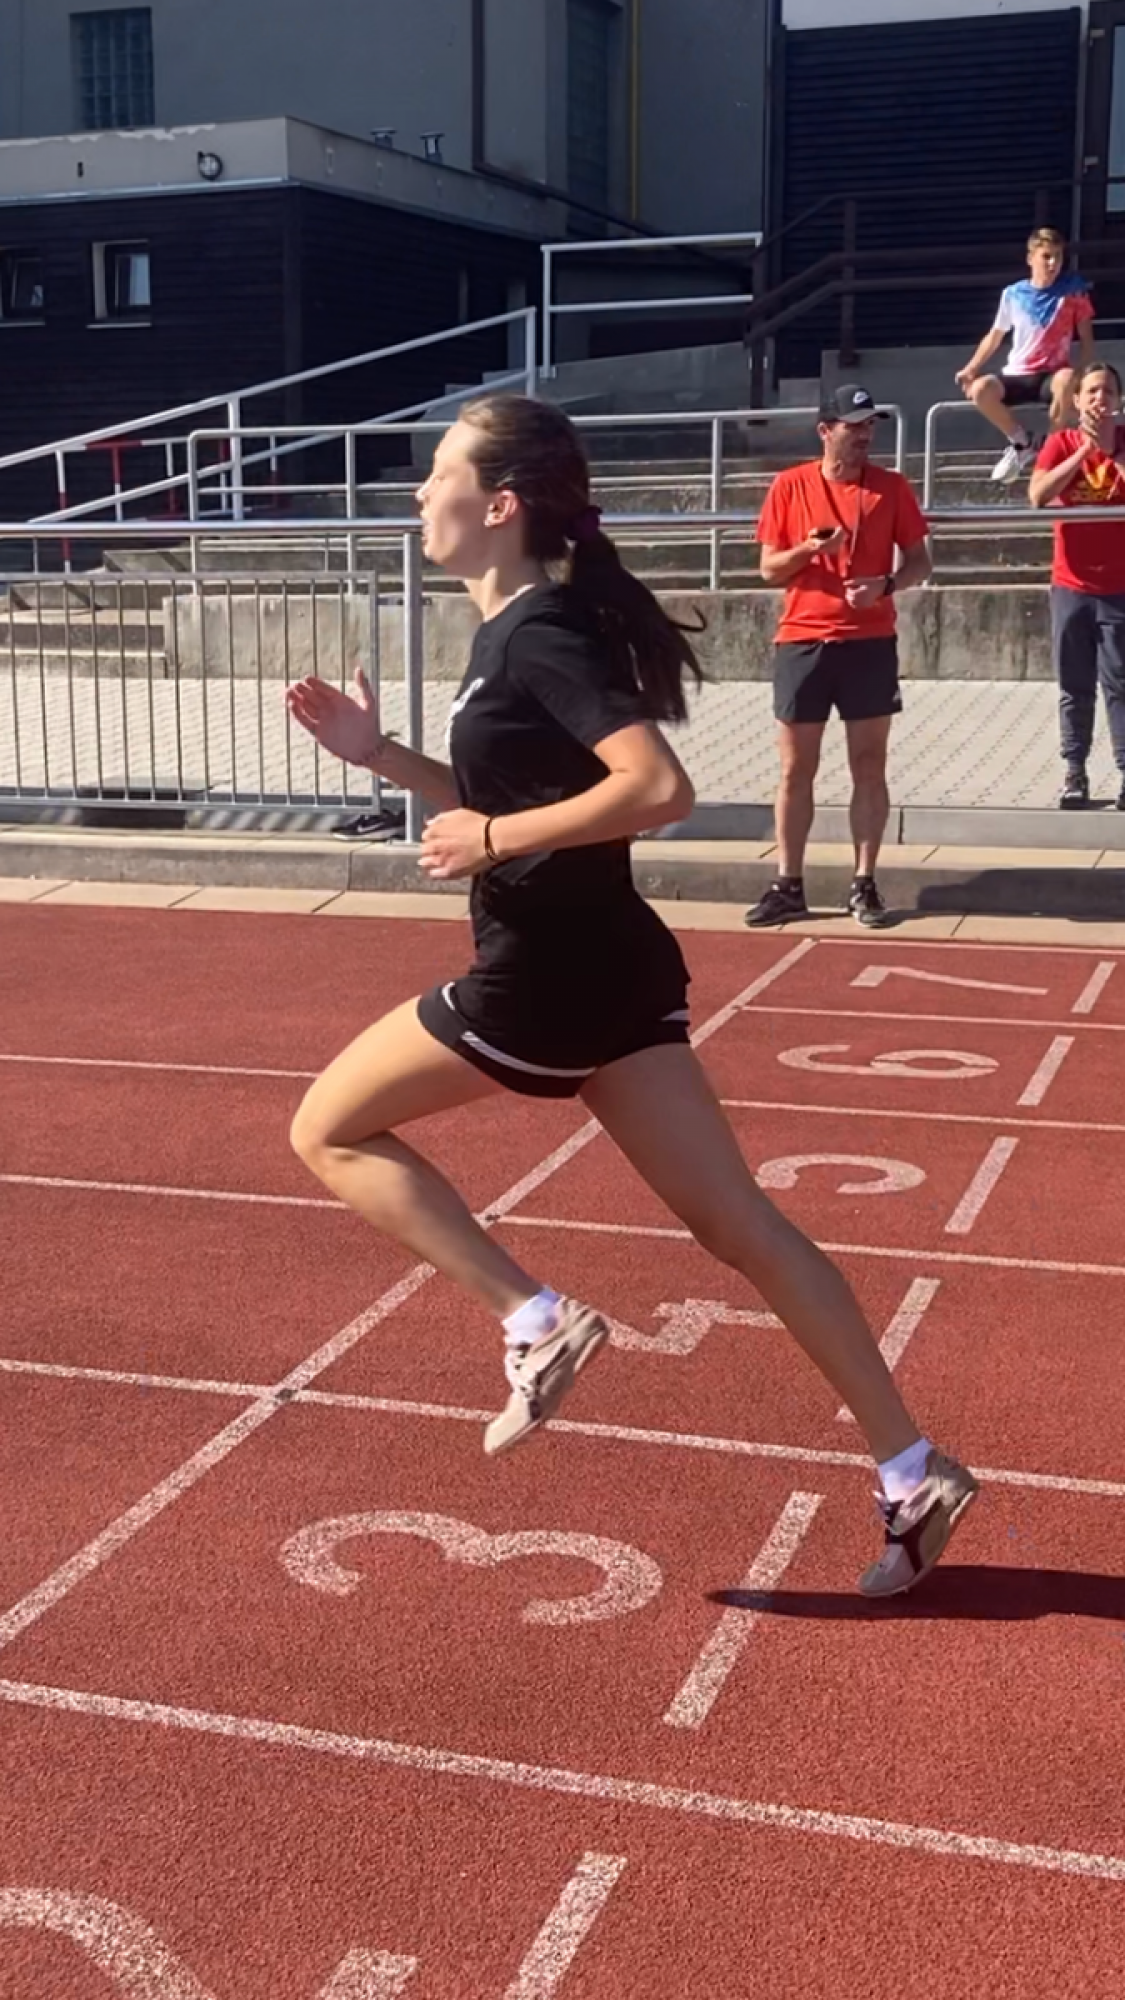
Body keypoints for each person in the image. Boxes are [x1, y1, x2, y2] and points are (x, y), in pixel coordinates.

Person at [284, 392, 976, 1599]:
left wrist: (493, 838)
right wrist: (381, 758)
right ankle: (911, 1467)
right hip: (615, 967)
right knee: (743, 1226)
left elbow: (656, 787)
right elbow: (529, 790)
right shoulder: (524, 629)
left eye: (439, 471)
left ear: (500, 504)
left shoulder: (537, 635)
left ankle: (532, 1317)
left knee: (326, 1128)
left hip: (545, 973)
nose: (420, 492)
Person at [744, 385, 932, 933]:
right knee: (794, 768)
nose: (865, 434)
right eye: (854, 425)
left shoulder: (892, 487)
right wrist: (809, 550)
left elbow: (920, 562)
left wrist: (885, 585)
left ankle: (864, 881)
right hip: (802, 640)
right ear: (825, 431)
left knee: (869, 765)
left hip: (869, 643)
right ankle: (788, 884)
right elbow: (768, 569)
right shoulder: (789, 485)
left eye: (870, 424)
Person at [1030, 359, 1125, 810]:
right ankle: (1074, 772)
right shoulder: (1060, 443)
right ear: (1076, 400)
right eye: (1091, 392)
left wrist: (1112, 453)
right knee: (1074, 684)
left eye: (1108, 391)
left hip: (1119, 588)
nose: (1099, 399)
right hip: (1071, 586)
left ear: (1119, 400)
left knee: (1120, 684)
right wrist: (1083, 452)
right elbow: (1038, 495)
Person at [956, 226, 1095, 485]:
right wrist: (971, 368)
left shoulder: (1073, 290)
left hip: (1052, 376)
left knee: (1067, 378)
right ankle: (1021, 443)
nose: (1053, 263)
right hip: (1017, 374)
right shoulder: (1013, 294)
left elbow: (1087, 339)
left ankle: (1051, 449)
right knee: (980, 389)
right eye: (1046, 256)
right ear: (1031, 258)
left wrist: (1084, 375)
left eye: (1058, 257)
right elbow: (994, 336)